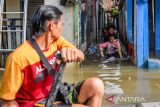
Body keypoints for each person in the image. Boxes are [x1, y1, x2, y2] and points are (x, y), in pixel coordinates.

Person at [0, 5, 104, 107]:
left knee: (96, 85)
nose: (61, 28)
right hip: (34, 103)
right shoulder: (18, 57)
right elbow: (6, 101)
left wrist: (71, 52)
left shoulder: (57, 41)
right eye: (61, 24)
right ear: (52, 25)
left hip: (55, 92)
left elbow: (81, 56)